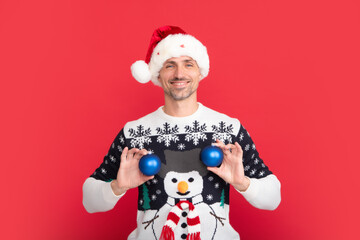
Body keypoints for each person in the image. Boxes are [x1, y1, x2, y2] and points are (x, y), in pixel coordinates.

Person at [82, 25, 281, 240]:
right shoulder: (134, 133)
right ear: (158, 73)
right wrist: (117, 187)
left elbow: (273, 198)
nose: (179, 74)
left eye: (188, 64)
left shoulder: (228, 129)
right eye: (170, 65)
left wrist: (243, 183)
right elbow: (89, 201)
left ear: (199, 71)